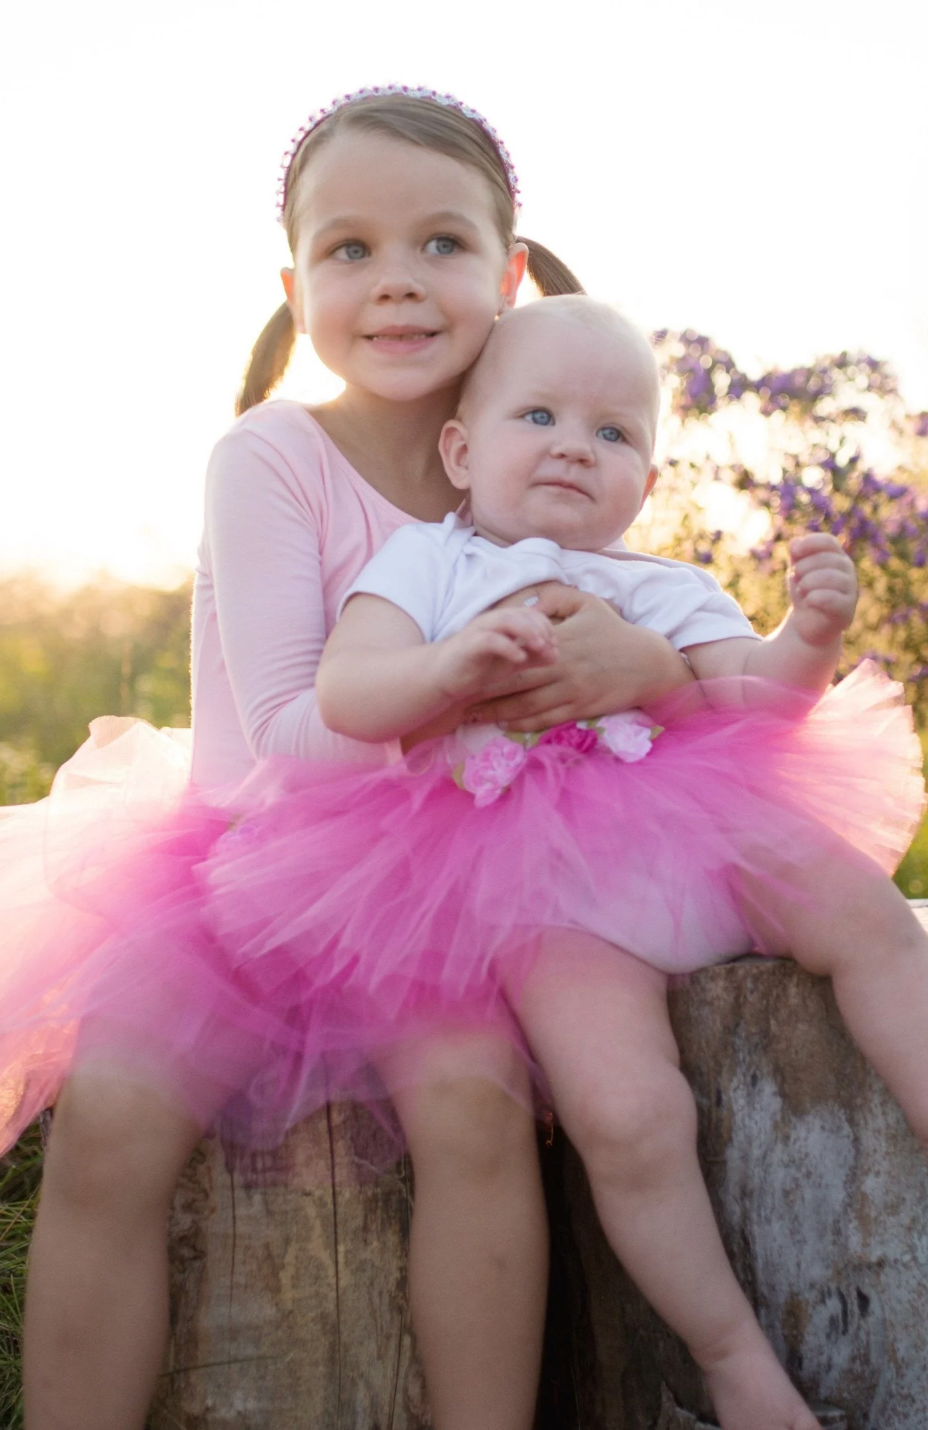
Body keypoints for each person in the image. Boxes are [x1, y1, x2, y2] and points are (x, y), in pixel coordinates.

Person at [4, 89, 697, 1430]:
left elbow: (661, 627)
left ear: (506, 272)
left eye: (439, 246)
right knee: (112, 1115)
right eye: (349, 250)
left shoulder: (526, 450)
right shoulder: (269, 456)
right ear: (295, 281)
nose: (395, 284)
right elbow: (287, 739)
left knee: (474, 1106)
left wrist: (646, 665)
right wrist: (460, 683)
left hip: (440, 884)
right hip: (237, 867)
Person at [204, 295, 928, 1430]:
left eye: (615, 431)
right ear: (462, 449)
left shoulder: (664, 584)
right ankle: (730, 1354)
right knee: (624, 1112)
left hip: (701, 830)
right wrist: (445, 670)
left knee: (864, 909)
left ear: (647, 479)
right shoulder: (423, 562)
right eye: (540, 415)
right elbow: (347, 690)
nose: (577, 443)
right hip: (542, 892)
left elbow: (753, 703)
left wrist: (805, 639)